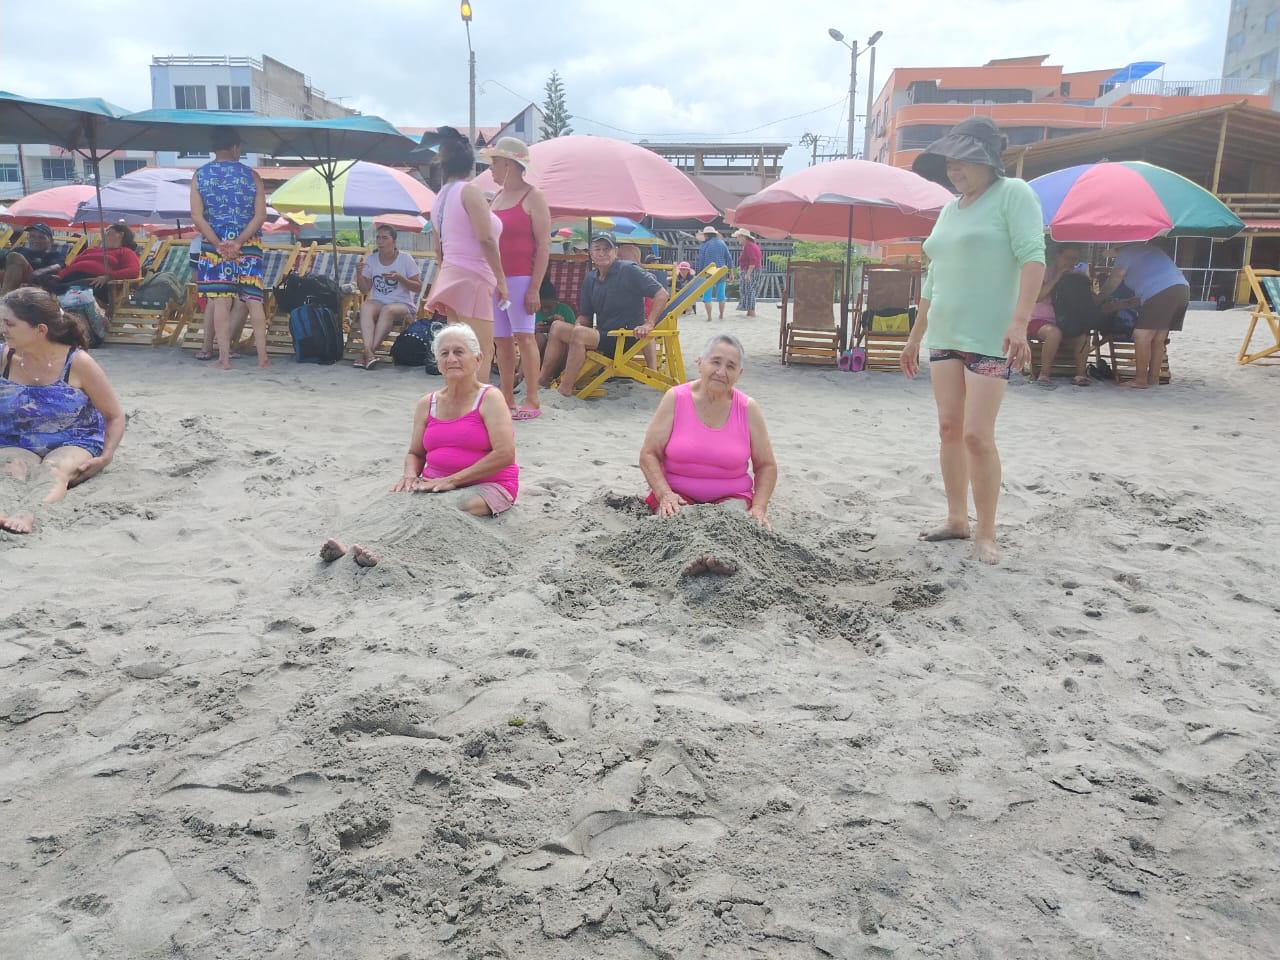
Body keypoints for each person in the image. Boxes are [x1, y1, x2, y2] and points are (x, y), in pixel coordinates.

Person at [902, 116, 1046, 565]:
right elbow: (935, 276)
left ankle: (987, 531)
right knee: (949, 429)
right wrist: (914, 337)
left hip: (988, 336)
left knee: (977, 435)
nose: (954, 168)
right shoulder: (950, 209)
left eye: (963, 160)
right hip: (944, 332)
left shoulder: (1013, 194)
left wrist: (1019, 323)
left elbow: (1033, 257)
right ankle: (956, 519)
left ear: (988, 160)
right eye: (949, 161)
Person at [319, 323, 518, 565]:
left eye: (459, 352)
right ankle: (348, 545)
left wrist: (452, 480)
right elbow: (415, 453)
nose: (451, 359)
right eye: (444, 353)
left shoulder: (490, 398)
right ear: (437, 362)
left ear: (478, 359)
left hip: (488, 485)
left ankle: (387, 556)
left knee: (440, 510)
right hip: (434, 483)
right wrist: (410, 475)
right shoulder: (427, 403)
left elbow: (505, 454)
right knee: (391, 503)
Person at [0, 288, 124, 535]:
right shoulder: (4, 357)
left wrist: (106, 456)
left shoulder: (77, 362)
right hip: (16, 439)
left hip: (73, 439)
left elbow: (115, 416)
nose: (3, 329)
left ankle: (29, 514)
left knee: (53, 469)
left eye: (10, 324)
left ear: (40, 330)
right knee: (9, 471)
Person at [640, 333, 777, 535]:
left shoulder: (748, 408)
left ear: (739, 373)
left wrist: (759, 507)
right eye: (715, 362)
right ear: (700, 363)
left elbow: (766, 465)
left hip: (732, 498)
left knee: (730, 528)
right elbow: (648, 454)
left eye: (730, 366)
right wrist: (664, 494)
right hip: (676, 495)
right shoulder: (675, 398)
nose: (721, 372)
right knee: (677, 526)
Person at [538, 232, 670, 398]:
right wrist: (578, 325)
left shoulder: (628, 270)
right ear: (591, 253)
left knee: (579, 334)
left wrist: (649, 324)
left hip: (627, 337)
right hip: (604, 336)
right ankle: (542, 380)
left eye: (607, 249)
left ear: (616, 251)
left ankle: (565, 388)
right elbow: (585, 317)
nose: (602, 253)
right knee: (557, 327)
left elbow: (662, 294)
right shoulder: (590, 278)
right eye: (597, 249)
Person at [425, 127, 508, 381]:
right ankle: (476, 404)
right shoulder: (469, 192)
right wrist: (501, 280)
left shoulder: (439, 199)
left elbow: (439, 249)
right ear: (470, 166)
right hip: (474, 277)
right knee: (481, 351)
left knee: (459, 351)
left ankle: (459, 400)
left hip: (452, 275)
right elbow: (486, 239)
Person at [481, 136, 550, 419]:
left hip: (521, 277)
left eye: (495, 162)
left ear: (508, 164)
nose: (491, 168)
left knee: (524, 337)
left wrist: (534, 287)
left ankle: (532, 399)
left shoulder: (533, 196)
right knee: (502, 341)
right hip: (497, 279)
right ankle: (507, 398)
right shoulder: (497, 198)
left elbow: (544, 245)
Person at [191, 127, 270, 370]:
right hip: (249, 244)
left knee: (221, 301)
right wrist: (239, 242)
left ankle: (224, 359)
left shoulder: (200, 175)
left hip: (215, 244)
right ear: (235, 148)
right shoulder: (252, 175)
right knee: (254, 300)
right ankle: (263, 358)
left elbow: (197, 216)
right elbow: (260, 215)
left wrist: (218, 243)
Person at [1097, 241, 1189, 389]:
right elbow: (1151, 286)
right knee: (1158, 339)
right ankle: (1153, 379)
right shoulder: (1150, 251)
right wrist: (1125, 303)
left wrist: (1099, 297)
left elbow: (1115, 278)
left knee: (1141, 336)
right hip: (1181, 290)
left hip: (1163, 293)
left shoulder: (1126, 252)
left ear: (1118, 248)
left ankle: (1140, 380)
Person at [353, 224, 422, 369]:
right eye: (378, 238)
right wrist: (359, 274)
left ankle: (368, 353)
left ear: (394, 242)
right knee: (365, 306)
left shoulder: (405, 259)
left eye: (384, 238)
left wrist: (400, 278)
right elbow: (365, 289)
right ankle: (369, 353)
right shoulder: (371, 259)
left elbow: (417, 287)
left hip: (402, 304)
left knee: (388, 310)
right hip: (378, 301)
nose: (380, 241)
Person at [1028, 242, 1092, 386]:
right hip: (1041, 320)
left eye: (1074, 259)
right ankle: (1044, 373)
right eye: (1067, 258)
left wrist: (1082, 282)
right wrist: (1057, 277)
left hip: (1066, 321)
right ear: (1058, 256)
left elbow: (1086, 300)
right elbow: (1038, 296)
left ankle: (1081, 374)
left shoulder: (1077, 275)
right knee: (1054, 333)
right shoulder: (1045, 271)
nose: (1070, 262)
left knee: (1083, 335)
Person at [52, 222, 141, 301]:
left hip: (98, 283)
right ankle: (55, 289)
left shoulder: (126, 252)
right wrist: (60, 276)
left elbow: (133, 271)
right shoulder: (91, 250)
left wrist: (108, 277)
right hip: (72, 279)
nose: (103, 234)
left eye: (108, 231)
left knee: (57, 289)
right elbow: (71, 267)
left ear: (120, 234)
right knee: (49, 280)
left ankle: (56, 291)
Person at [0, 223, 65, 294]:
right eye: (32, 236)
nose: (36, 240)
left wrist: (39, 271)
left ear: (51, 241)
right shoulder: (19, 249)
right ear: (28, 238)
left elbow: (57, 266)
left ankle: (5, 297)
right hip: (9, 279)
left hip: (33, 282)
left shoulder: (54, 254)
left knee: (14, 256)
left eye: (41, 237)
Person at [694, 226, 732, 322]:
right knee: (721, 296)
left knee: (707, 297)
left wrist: (699, 273)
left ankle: (709, 317)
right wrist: (731, 272)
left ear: (706, 235)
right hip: (721, 271)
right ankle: (721, 316)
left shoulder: (704, 245)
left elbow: (701, 260)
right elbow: (729, 258)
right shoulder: (722, 243)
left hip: (708, 272)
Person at [534, 277, 575, 356]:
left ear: (555, 301)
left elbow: (575, 334)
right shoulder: (532, 312)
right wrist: (534, 329)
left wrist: (563, 326)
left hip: (561, 345)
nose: (545, 311)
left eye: (549, 307)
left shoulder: (566, 311)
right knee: (540, 338)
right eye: (542, 308)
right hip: (538, 343)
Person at [733, 228, 763, 317]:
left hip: (751, 270)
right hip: (753, 270)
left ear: (744, 237)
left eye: (738, 237)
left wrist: (748, 274)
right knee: (749, 290)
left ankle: (751, 311)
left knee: (749, 291)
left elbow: (752, 261)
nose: (737, 239)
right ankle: (750, 311)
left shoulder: (749, 246)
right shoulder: (751, 245)